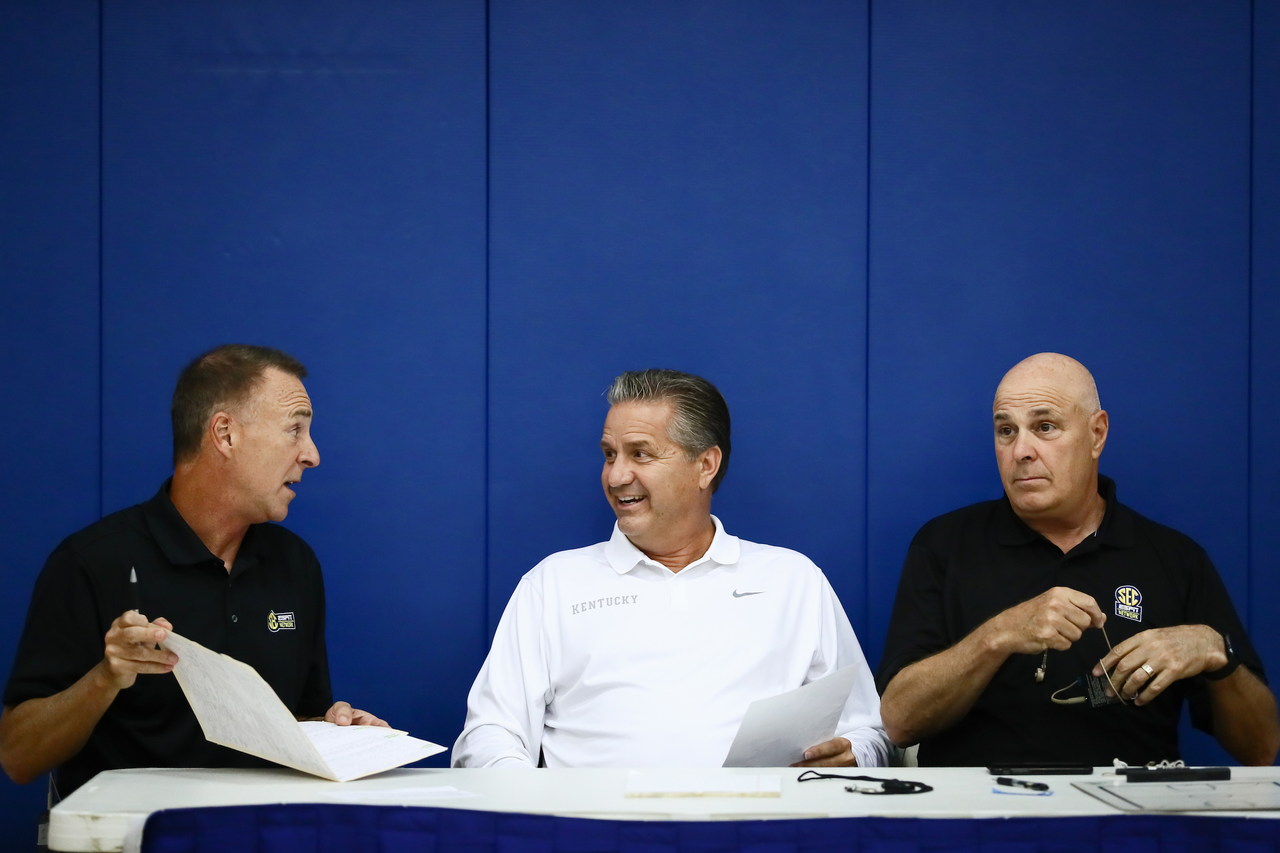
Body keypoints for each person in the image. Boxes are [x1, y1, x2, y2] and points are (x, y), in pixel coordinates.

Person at [453, 369, 889, 769]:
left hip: (757, 834)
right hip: (594, 838)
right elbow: (490, 734)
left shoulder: (793, 580)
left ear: (705, 466)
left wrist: (854, 755)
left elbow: (870, 730)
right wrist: (537, 809)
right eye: (609, 454)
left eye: (640, 454)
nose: (617, 475)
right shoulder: (552, 584)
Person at [0, 344, 387, 794]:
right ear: (225, 434)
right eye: (294, 430)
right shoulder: (92, 562)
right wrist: (106, 678)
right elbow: (18, 757)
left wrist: (338, 730)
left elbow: (297, 722)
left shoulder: (294, 564)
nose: (312, 454)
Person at [877, 353, 1280, 766]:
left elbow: (1261, 750)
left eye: (1045, 427)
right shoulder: (944, 545)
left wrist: (1216, 652)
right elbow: (900, 722)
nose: (1020, 451)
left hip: (1130, 818)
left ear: (1097, 434)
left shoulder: (1174, 559)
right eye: (1005, 431)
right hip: (981, 818)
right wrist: (996, 636)